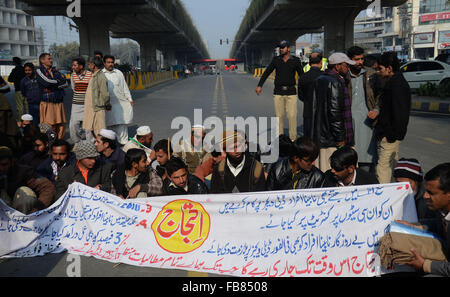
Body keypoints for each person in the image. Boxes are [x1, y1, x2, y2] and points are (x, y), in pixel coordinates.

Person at [403, 163, 450, 277]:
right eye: (425, 191)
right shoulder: (442, 210)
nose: (425, 196)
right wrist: (411, 225)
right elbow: (436, 223)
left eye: (431, 193)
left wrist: (425, 265)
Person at [311, 52, 355, 172]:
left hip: (323, 135)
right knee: (335, 172)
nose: (348, 68)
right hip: (332, 139)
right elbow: (335, 113)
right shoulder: (335, 82)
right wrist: (340, 138)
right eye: (346, 65)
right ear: (337, 66)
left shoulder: (321, 79)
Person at [255, 40, 304, 141]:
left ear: (288, 48)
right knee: (279, 117)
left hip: (291, 92)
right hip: (278, 92)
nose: (281, 49)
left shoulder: (295, 60)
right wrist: (260, 85)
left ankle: (293, 139)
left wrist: (306, 89)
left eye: (283, 47)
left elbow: (302, 76)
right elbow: (267, 72)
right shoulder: (276, 60)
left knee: (292, 116)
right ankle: (280, 140)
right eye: (280, 48)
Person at [375, 52, 411, 184]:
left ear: (390, 69)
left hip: (390, 136)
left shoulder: (397, 85)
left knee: (382, 169)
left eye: (380, 68)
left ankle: (383, 200)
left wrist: (392, 135)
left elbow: (400, 114)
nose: (378, 72)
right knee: (389, 168)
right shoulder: (392, 83)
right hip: (388, 134)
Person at [346, 46, 379, 173]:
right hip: (349, 122)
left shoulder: (371, 74)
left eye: (362, 59)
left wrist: (376, 110)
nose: (360, 62)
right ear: (349, 60)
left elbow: (380, 95)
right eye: (357, 59)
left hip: (367, 122)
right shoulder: (344, 75)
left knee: (367, 158)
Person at [0, 146, 56, 215]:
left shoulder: (24, 172)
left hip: (22, 212)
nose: (1, 168)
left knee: (24, 193)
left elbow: (48, 188)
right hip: (4, 215)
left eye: (4, 165)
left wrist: (37, 209)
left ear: (12, 162)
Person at [36, 53, 69, 139]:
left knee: (61, 125)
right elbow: (46, 82)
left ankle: (59, 143)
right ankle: (50, 145)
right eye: (49, 59)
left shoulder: (56, 71)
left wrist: (54, 84)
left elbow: (65, 83)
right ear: (42, 61)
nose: (51, 60)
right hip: (48, 103)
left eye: (51, 58)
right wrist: (58, 82)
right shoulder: (39, 71)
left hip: (59, 102)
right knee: (49, 126)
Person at [103, 55, 134, 145]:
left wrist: (129, 99)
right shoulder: (101, 74)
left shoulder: (118, 73)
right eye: (108, 62)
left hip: (120, 103)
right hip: (108, 104)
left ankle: (124, 144)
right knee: (109, 124)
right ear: (104, 63)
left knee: (121, 123)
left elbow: (124, 87)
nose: (110, 64)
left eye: (112, 62)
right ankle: (111, 144)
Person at [83, 56, 111, 143]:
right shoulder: (94, 75)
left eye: (89, 64)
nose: (88, 66)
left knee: (100, 131)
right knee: (90, 129)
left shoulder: (101, 76)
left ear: (93, 65)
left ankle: (103, 149)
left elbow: (105, 94)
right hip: (91, 108)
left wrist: (107, 104)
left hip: (97, 108)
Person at [298, 50, 324, 138]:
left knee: (308, 140)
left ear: (309, 63)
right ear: (321, 62)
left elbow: (301, 96)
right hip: (323, 114)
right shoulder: (325, 77)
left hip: (308, 112)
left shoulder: (303, 77)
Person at [69, 57, 92, 144]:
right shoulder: (73, 75)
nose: (73, 67)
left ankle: (90, 143)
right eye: (73, 65)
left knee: (88, 126)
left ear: (81, 66)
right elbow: (73, 87)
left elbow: (91, 89)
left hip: (88, 104)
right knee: (73, 124)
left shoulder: (90, 74)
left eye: (75, 65)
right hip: (76, 104)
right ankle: (77, 142)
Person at [7, 57, 27, 124]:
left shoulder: (15, 70)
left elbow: (9, 79)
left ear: (14, 62)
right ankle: (28, 121)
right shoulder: (25, 69)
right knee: (27, 106)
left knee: (20, 107)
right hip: (27, 90)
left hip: (18, 90)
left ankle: (20, 121)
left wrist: (15, 79)